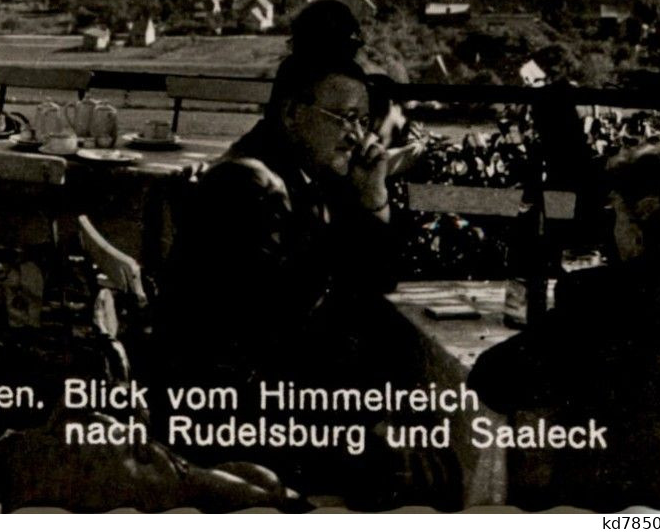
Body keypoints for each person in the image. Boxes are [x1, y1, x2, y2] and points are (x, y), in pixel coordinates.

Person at [154, 54, 444, 505]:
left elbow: (377, 276)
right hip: (234, 411)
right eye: (343, 117)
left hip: (263, 388)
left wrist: (373, 196)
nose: (357, 135)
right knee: (419, 460)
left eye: (363, 120)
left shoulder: (299, 173)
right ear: (292, 113)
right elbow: (277, 322)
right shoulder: (249, 186)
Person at [468, 143, 660, 511]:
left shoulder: (597, 298)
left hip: (609, 503)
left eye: (619, 215)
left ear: (638, 233)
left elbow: (491, 376)